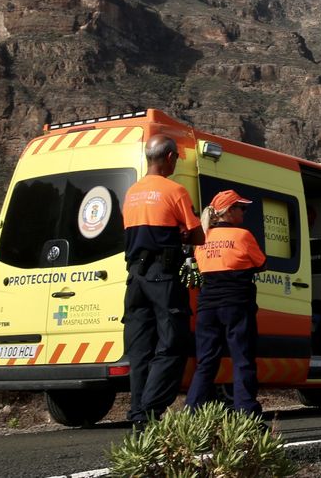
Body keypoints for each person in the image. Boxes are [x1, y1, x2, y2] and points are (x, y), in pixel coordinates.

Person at [122, 134, 204, 429]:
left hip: (135, 277)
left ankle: (138, 415)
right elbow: (198, 236)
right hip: (163, 275)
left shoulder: (132, 193)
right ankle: (150, 409)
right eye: (177, 158)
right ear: (169, 158)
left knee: (140, 348)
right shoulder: (175, 190)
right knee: (172, 342)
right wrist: (183, 233)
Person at [185, 190, 266, 417]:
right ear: (229, 210)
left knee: (206, 363)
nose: (244, 212)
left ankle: (191, 413)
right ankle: (247, 415)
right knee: (242, 361)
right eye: (242, 208)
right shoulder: (242, 236)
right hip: (237, 305)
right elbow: (261, 264)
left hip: (207, 307)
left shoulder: (202, 238)